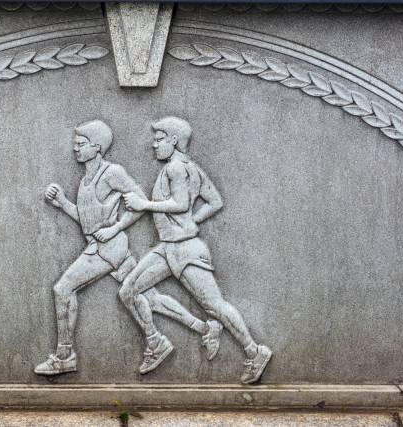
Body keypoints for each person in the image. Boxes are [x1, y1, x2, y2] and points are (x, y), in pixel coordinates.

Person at [35, 120, 222, 376]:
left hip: (107, 248)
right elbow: (88, 221)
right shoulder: (86, 178)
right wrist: (62, 203)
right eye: (74, 144)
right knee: (148, 297)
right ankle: (203, 329)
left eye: (80, 144)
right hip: (100, 245)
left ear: (97, 146)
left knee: (63, 289)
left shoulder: (112, 173)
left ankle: (65, 355)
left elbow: (139, 203)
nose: (74, 149)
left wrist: (116, 228)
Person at [120, 116, 272, 383]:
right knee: (129, 291)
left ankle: (254, 351)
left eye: (158, 140)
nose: (154, 145)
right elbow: (214, 201)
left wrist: (144, 205)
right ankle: (156, 343)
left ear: (174, 140)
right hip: (168, 248)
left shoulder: (176, 169)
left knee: (215, 305)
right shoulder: (193, 168)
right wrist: (192, 222)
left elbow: (179, 203)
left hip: (186, 251)